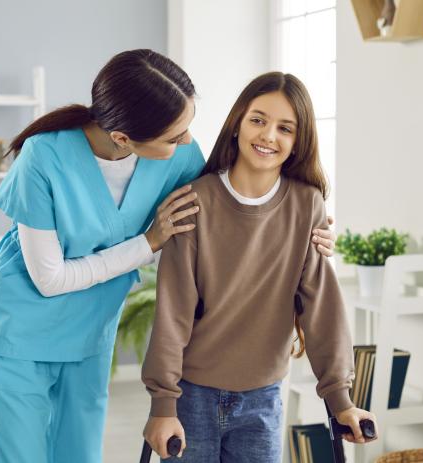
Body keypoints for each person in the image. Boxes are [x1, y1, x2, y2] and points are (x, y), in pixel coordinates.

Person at [0, 50, 337, 463]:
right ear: (124, 139)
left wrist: (309, 229)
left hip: (90, 333)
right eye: (174, 136)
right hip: (19, 332)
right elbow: (48, 278)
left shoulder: (178, 156)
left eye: (187, 127)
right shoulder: (43, 156)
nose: (187, 142)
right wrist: (148, 242)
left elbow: (228, 210)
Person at [141, 71, 376, 462]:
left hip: (263, 399)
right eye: (258, 120)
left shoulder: (307, 205)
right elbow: (173, 309)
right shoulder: (196, 200)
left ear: (298, 142)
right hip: (191, 395)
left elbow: (321, 307)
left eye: (286, 128)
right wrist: (163, 405)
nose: (269, 135)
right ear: (237, 124)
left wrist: (341, 399)